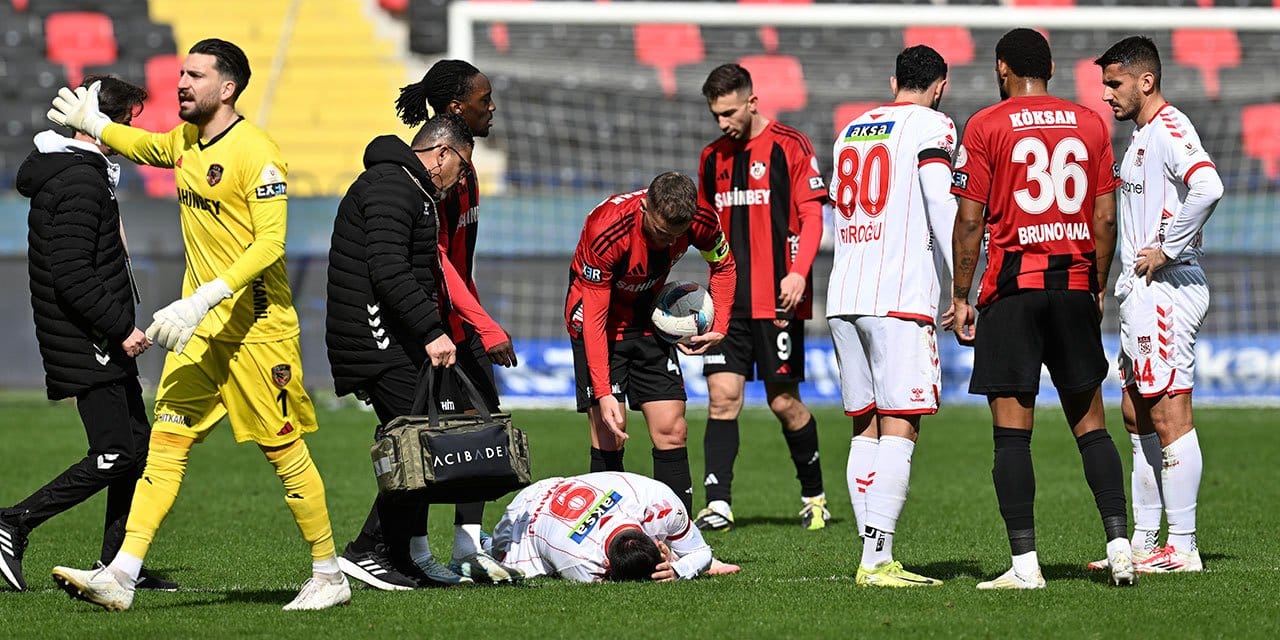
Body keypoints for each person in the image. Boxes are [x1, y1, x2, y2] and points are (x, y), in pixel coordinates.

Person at [46, 39, 349, 611]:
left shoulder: (257, 153)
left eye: (195, 75)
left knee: (284, 452)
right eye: (180, 73)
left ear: (227, 87)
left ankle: (329, 573)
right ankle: (122, 575)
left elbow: (271, 244)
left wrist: (203, 296)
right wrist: (95, 125)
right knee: (165, 442)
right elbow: (148, 145)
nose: (181, 83)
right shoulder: (187, 140)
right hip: (199, 331)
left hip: (257, 331)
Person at [949, 28, 1134, 590]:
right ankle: (1120, 545)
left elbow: (971, 219)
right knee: (1092, 426)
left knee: (1012, 434)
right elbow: (1105, 219)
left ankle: (1025, 567)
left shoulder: (985, 124)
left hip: (1012, 291)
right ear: (1050, 68)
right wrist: (1096, 285)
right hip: (1075, 286)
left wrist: (960, 296)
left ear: (1004, 69)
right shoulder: (1091, 124)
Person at [333, 59, 518, 586]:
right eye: (484, 100)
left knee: (464, 428)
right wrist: (473, 323)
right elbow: (428, 264)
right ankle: (398, 548)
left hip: (444, 319)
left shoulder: (453, 170)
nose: (493, 108)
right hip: (433, 322)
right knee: (427, 437)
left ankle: (437, 548)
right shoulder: (416, 183)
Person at [0, 76, 173, 593]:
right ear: (104, 126)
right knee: (115, 451)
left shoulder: (80, 173)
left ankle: (118, 566)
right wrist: (120, 328)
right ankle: (13, 523)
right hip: (88, 338)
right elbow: (72, 273)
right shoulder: (80, 180)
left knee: (136, 445)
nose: (129, 136)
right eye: (127, 125)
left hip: (92, 334)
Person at [1086, 35, 1222, 574]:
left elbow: (1207, 186)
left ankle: (1183, 547)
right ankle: (1145, 540)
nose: (1106, 96)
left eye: (1114, 84)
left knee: (1169, 413)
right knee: (1136, 412)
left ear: (1146, 81)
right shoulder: (1141, 135)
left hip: (1167, 288)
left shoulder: (1169, 128)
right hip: (1140, 291)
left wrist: (1167, 246)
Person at [826, 45, 956, 587]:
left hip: (843, 294)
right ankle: (877, 561)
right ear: (940, 84)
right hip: (898, 296)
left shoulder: (851, 128)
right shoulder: (935, 125)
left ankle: (871, 552)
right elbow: (940, 201)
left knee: (866, 426)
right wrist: (965, 284)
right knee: (901, 426)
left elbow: (841, 207)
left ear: (893, 79)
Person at [693, 63, 830, 532]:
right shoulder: (711, 158)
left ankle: (814, 495)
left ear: (752, 102)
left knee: (783, 402)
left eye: (729, 112)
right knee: (722, 397)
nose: (722, 123)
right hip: (727, 303)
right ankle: (718, 503)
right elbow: (706, 228)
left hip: (778, 299)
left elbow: (813, 217)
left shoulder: (790, 146)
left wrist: (797, 273)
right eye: (715, 114)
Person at [565, 171, 735, 515]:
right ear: (644, 207)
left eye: (674, 236)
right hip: (598, 323)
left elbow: (724, 266)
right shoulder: (606, 230)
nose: (664, 243)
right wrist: (603, 391)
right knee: (611, 432)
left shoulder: (701, 218)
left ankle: (681, 541)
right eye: (659, 232)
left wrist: (720, 325)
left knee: (672, 429)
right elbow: (596, 317)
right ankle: (610, 536)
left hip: (649, 321)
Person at [492, 471, 739, 582]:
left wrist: (678, 569)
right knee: (499, 563)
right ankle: (477, 542)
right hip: (522, 519)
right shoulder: (581, 561)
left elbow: (703, 553)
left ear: (654, 539)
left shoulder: (659, 500)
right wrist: (679, 564)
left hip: (557, 487)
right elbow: (701, 554)